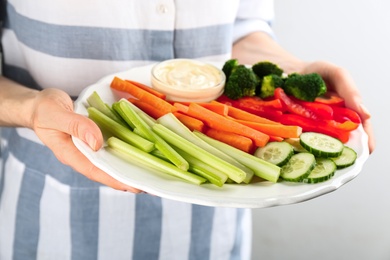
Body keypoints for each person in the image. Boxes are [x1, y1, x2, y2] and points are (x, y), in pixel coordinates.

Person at [0, 1, 375, 259]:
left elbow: (242, 30)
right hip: (56, 222)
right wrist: (29, 108)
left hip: (212, 228)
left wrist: (293, 72)